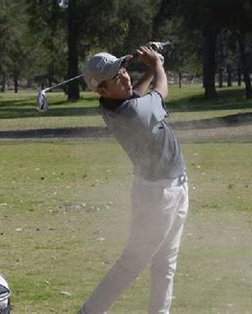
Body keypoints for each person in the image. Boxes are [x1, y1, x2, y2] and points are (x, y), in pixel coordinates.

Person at [79, 46, 189, 314]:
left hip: (169, 187)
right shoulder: (133, 114)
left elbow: (136, 95)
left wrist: (151, 69)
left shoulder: (116, 104)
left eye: (125, 71)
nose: (127, 78)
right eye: (118, 78)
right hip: (159, 194)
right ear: (101, 90)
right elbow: (160, 94)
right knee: (134, 262)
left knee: (165, 261)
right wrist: (158, 67)